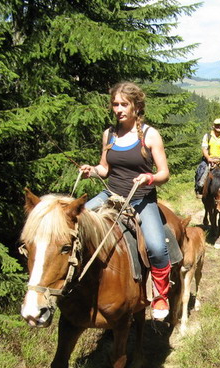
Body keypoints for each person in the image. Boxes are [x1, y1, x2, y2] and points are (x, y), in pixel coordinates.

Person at [80, 81, 172, 320]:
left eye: (124, 104)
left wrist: (149, 177)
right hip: (110, 195)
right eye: (115, 104)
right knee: (76, 223)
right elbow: (105, 168)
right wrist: (93, 170)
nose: (118, 109)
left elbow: (164, 173)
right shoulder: (109, 134)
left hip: (141, 199)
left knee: (156, 247)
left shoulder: (151, 135)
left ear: (136, 106)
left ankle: (161, 294)